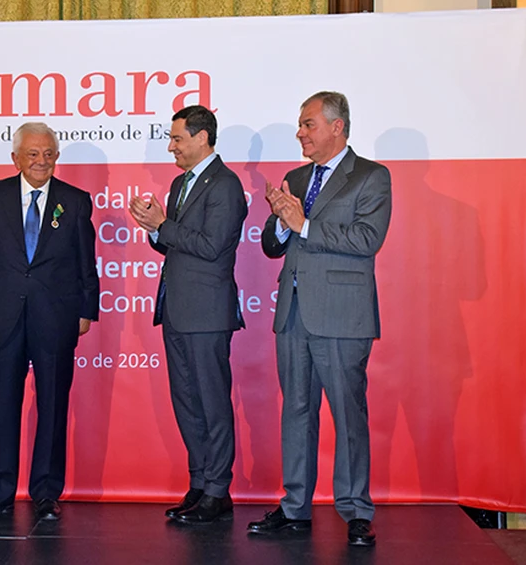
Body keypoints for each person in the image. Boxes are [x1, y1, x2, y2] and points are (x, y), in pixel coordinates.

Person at [253, 91, 391, 546]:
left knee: (348, 415)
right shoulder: (295, 176)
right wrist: (279, 219)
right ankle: (295, 507)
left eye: (308, 124)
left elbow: (367, 239)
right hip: (292, 313)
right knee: (296, 411)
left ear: (337, 127)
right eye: (300, 124)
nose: (300, 133)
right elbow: (273, 246)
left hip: (341, 315)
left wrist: (303, 223)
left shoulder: (371, 176)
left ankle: (355, 510)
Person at [0, 122, 99, 523]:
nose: (41, 161)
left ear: (57, 157)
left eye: (48, 154)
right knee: (2, 406)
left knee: (53, 407)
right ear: (16, 158)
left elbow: (85, 262)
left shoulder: (75, 201)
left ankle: (46, 493)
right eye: (33, 154)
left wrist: (86, 310)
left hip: (56, 319)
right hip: (2, 319)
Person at [129, 104, 248, 524]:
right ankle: (199, 483)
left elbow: (212, 245)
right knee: (187, 401)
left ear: (202, 138)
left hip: (208, 312)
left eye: (177, 138)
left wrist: (164, 225)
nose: (171, 147)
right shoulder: (180, 183)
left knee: (212, 402)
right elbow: (173, 244)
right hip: (177, 310)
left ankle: (219, 489)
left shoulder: (226, 185)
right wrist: (153, 227)